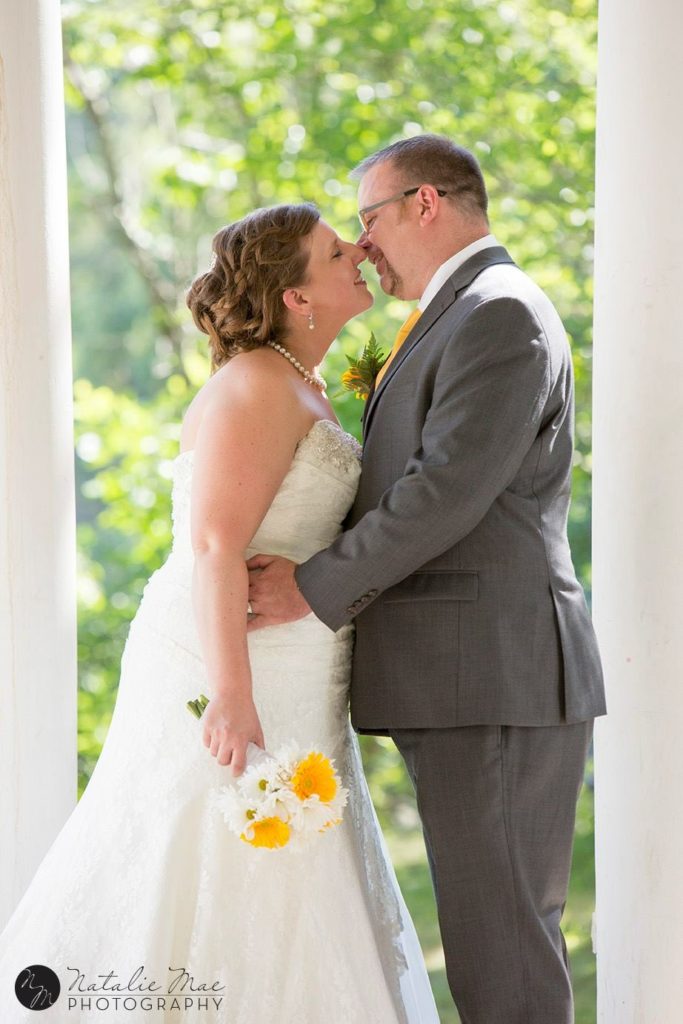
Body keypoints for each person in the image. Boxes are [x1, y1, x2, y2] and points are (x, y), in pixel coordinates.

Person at [0, 204, 439, 1023]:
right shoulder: (257, 384)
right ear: (297, 297)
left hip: (302, 663)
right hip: (232, 663)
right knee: (216, 846)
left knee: (297, 863)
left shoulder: (305, 384)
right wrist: (231, 695)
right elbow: (212, 549)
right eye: (334, 249)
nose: (359, 252)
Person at [246, 135, 607, 1024]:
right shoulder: (462, 311)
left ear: (425, 205)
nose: (363, 246)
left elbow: (441, 493)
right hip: (464, 676)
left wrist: (312, 587)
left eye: (368, 220)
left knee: (505, 948)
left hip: (492, 674)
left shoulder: (499, 312)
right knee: (490, 939)